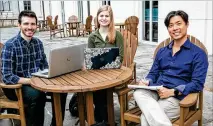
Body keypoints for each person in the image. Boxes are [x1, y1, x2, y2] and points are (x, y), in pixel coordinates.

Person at [133, 10, 208, 126]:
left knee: (145, 117)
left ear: (187, 24)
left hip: (177, 97)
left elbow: (197, 83)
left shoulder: (198, 54)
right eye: (171, 25)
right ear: (168, 29)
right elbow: (153, 73)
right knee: (138, 93)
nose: (175, 28)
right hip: (156, 90)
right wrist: (147, 80)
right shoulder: (162, 51)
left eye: (179, 23)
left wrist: (173, 91)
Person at [1, 10, 67, 126]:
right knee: (37, 95)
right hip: (15, 87)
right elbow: (7, 76)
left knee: (62, 90)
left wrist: (50, 74)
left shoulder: (38, 43)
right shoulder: (10, 45)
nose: (30, 27)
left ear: (36, 25)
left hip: (37, 82)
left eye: (33, 24)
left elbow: (44, 66)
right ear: (19, 25)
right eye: (26, 24)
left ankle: (56, 124)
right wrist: (31, 81)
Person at [87, 5, 124, 124]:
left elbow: (120, 57)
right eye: (101, 15)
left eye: (106, 16)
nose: (104, 18)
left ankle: (103, 120)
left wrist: (103, 60)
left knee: (100, 90)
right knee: (95, 89)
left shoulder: (117, 35)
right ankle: (103, 120)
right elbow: (90, 59)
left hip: (113, 72)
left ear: (111, 18)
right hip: (97, 73)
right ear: (97, 18)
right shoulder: (92, 37)